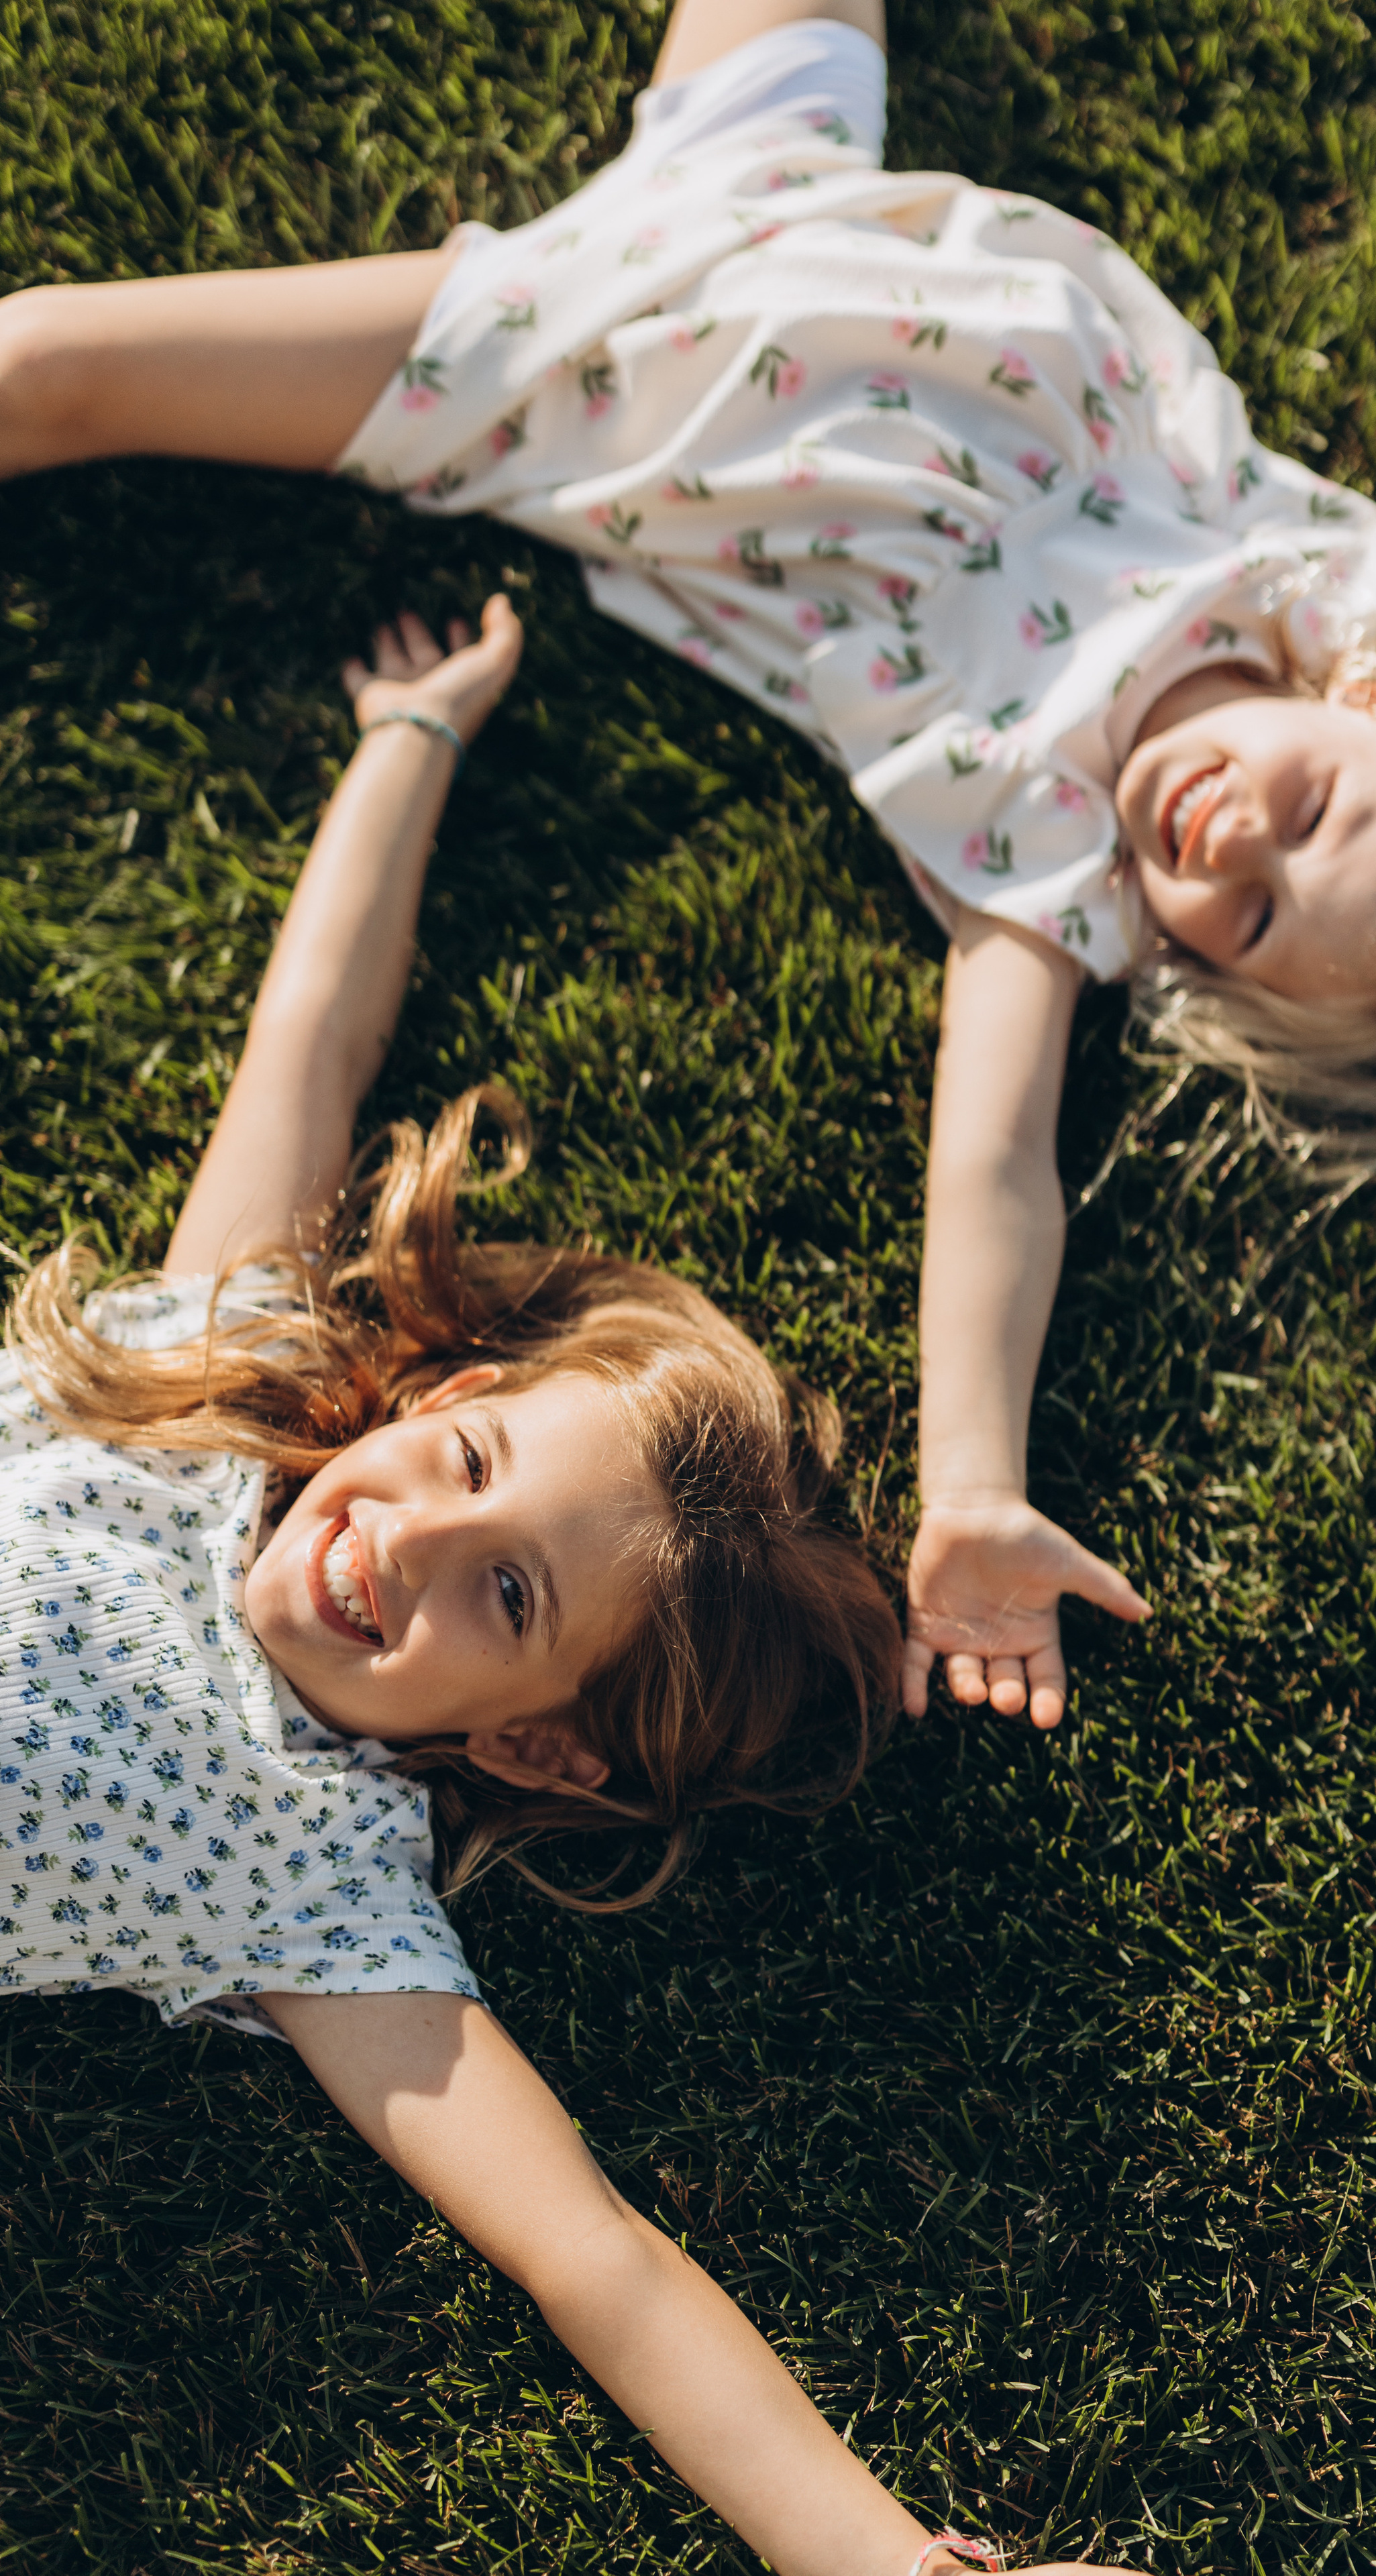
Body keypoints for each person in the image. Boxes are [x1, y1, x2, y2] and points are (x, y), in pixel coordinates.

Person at [1, 0, 1376, 1738]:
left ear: (1217, 982)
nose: (1230, 840)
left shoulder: (1043, 876)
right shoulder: (1334, 594)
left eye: (1255, 922)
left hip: (580, 371)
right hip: (786, 185)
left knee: (48, 366)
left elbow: (995, 1174)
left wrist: (970, 1480)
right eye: (1321, 809)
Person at [0, 596, 1108, 2576]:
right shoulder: (219, 1365)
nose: (406, 1535)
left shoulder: (311, 1880)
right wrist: (409, 739)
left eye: (506, 1599)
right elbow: (316, 1035)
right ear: (456, 1387)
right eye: (468, 1463)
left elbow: (596, 2258)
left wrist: (872, 2557)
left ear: (536, 1746)